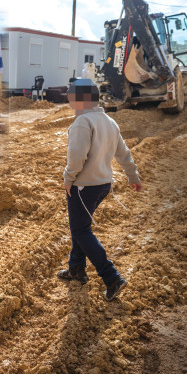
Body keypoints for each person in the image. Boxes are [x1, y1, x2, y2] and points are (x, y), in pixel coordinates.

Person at [57, 78, 142, 301]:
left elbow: (77, 156)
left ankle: (111, 277)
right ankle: (76, 269)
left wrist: (68, 178)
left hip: (84, 186)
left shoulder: (83, 122)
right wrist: (133, 176)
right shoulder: (109, 122)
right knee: (80, 227)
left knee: (82, 231)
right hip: (103, 184)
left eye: (72, 98)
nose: (69, 101)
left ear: (82, 99)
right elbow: (123, 152)